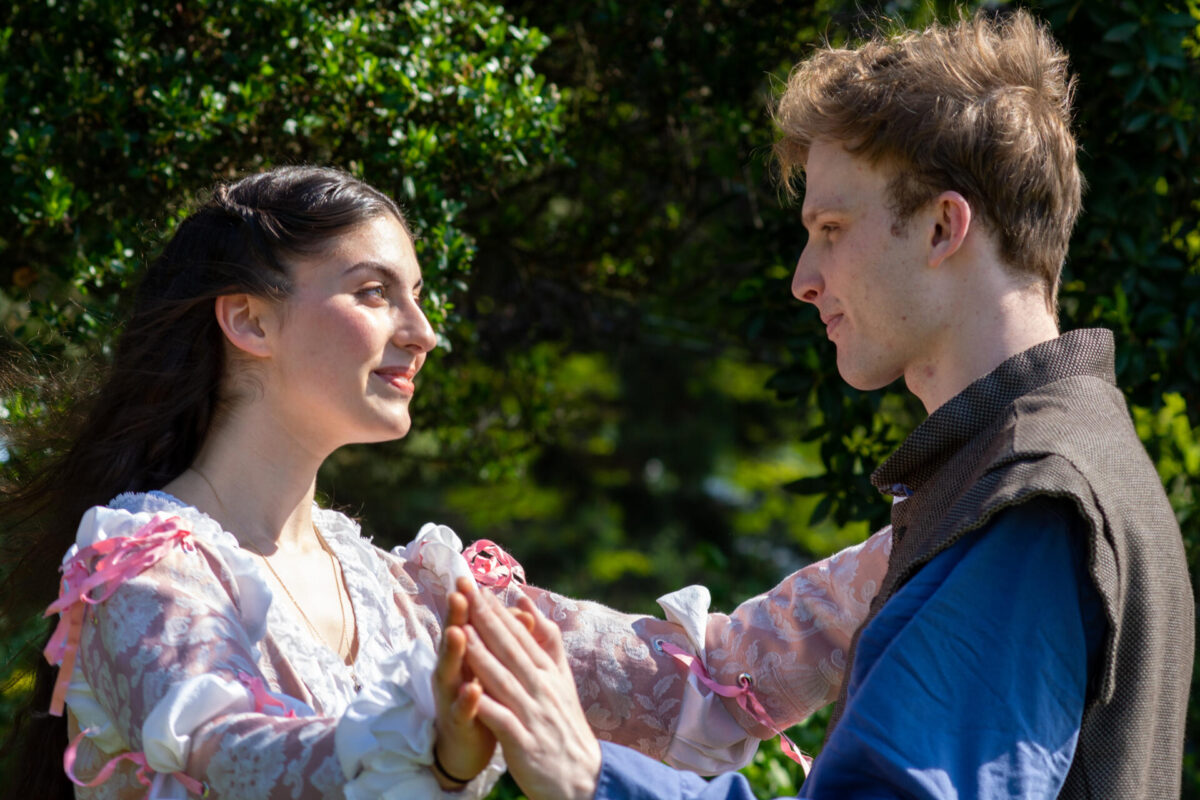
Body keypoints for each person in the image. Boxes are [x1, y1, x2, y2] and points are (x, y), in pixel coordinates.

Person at [450, 10, 1195, 800]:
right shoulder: (1060, 459)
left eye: (832, 228)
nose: (804, 277)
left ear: (944, 226)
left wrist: (593, 778)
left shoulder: (1031, 501)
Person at [0, 165, 893, 799]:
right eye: (376, 292)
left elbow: (699, 682)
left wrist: (940, 519)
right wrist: (437, 742)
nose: (424, 332)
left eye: (418, 295)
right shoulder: (143, 571)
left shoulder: (416, 594)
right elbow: (240, 761)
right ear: (248, 320)